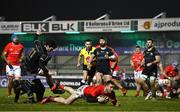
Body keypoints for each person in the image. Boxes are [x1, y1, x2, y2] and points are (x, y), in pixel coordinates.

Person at [41, 81, 120, 106]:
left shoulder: (111, 92)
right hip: (82, 92)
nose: (112, 89)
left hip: (86, 89)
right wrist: (98, 100)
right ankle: (51, 98)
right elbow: (89, 100)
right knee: (67, 102)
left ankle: (60, 86)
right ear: (106, 86)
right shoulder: (99, 89)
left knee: (72, 92)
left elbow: (113, 100)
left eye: (113, 87)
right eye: (111, 87)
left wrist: (116, 104)